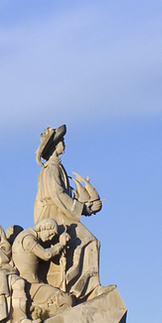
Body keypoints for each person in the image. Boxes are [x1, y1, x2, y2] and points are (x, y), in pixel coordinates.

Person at [34, 125, 104, 299]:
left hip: (61, 212)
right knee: (90, 242)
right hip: (56, 216)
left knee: (87, 244)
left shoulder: (56, 167)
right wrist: (83, 209)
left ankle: (83, 287)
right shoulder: (51, 168)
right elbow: (57, 194)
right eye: (61, 141)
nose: (64, 144)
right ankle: (86, 289)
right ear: (55, 145)